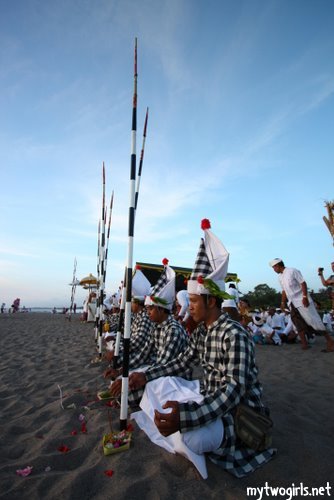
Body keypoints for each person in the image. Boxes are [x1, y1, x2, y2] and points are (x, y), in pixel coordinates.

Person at [122, 220, 275, 478]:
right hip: (207, 394)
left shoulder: (234, 334)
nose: (189, 307)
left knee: (193, 436)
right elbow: (181, 362)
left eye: (193, 300)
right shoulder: (202, 331)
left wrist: (189, 416)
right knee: (158, 384)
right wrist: (145, 376)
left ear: (211, 300)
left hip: (237, 408)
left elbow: (234, 391)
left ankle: (191, 435)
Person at [109, 259, 189, 393]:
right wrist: (121, 371)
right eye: (146, 309)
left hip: (173, 378)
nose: (147, 313)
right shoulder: (157, 326)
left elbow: (163, 365)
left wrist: (138, 375)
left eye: (150, 309)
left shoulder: (173, 330)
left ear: (161, 309)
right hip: (156, 369)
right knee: (124, 386)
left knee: (129, 392)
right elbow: (143, 353)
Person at [270, 258, 334, 352]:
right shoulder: (280, 277)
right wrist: (282, 302)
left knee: (313, 320)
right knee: (296, 322)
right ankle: (304, 344)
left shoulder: (292, 271)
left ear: (278, 265)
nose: (274, 269)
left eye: (274, 267)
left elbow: (303, 283)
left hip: (302, 300)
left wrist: (305, 297)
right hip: (292, 303)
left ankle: (330, 341)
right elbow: (284, 291)